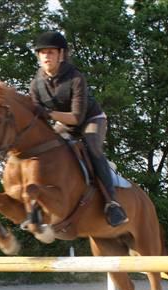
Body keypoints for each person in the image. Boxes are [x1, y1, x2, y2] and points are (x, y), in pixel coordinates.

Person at [29, 31, 129, 227]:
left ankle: (112, 203)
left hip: (91, 119)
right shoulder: (36, 84)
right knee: (47, 150)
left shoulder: (75, 78)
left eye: (51, 52)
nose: (47, 56)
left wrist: (48, 114)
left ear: (61, 55)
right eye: (43, 53)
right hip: (63, 124)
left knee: (92, 147)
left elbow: (76, 118)